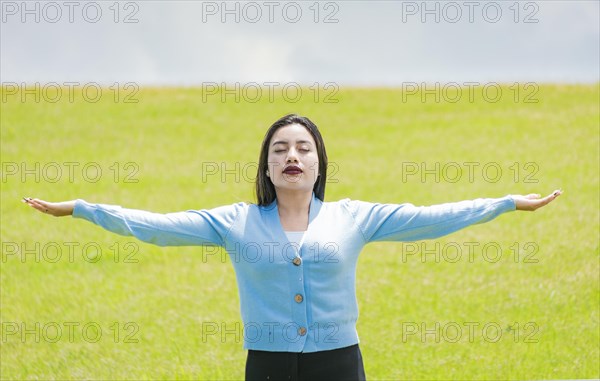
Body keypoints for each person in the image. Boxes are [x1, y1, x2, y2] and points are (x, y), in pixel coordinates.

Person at [23, 114, 561, 381]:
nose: (292, 156)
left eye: (304, 147)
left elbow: (429, 219)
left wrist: (505, 201)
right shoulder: (234, 222)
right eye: (280, 149)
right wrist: (83, 208)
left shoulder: (356, 217)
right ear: (266, 166)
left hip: (339, 361)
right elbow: (158, 226)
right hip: (268, 363)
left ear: (319, 162)